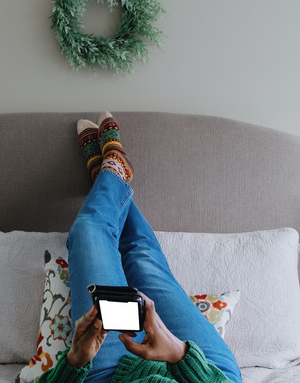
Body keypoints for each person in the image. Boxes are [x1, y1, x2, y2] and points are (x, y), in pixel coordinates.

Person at [37, 112, 242, 383]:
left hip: (107, 375)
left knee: (87, 232)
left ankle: (108, 172)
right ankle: (111, 173)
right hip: (205, 371)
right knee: (141, 258)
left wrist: (75, 359)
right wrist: (180, 354)